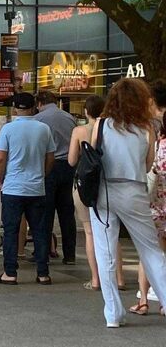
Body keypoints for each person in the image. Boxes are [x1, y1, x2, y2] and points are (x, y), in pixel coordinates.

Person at [82, 78, 166, 327]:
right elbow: (148, 162)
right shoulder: (147, 128)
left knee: (105, 252)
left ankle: (113, 314)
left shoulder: (102, 124)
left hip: (104, 191)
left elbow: (93, 155)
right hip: (134, 190)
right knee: (150, 250)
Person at [0, 92, 55, 286]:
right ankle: (43, 273)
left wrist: (1, 178)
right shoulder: (44, 129)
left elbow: (1, 158)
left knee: (11, 230)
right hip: (36, 187)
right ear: (34, 107)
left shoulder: (8, 129)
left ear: (14, 108)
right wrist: (41, 175)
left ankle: (10, 273)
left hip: (13, 186)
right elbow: (50, 157)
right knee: (40, 230)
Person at [67, 96, 125, 292]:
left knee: (90, 232)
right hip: (108, 184)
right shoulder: (113, 129)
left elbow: (72, 161)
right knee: (112, 231)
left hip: (85, 184)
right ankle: (120, 278)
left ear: (86, 111)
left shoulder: (79, 131)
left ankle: (95, 279)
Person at [130, 80, 166, 314]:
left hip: (155, 205)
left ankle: (144, 299)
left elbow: (147, 166)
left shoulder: (153, 134)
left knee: (149, 251)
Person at [35, 91, 78, 264]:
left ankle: (43, 252)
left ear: (39, 103)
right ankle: (70, 255)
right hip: (68, 165)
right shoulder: (69, 118)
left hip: (48, 165)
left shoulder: (39, 119)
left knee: (46, 212)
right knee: (67, 212)